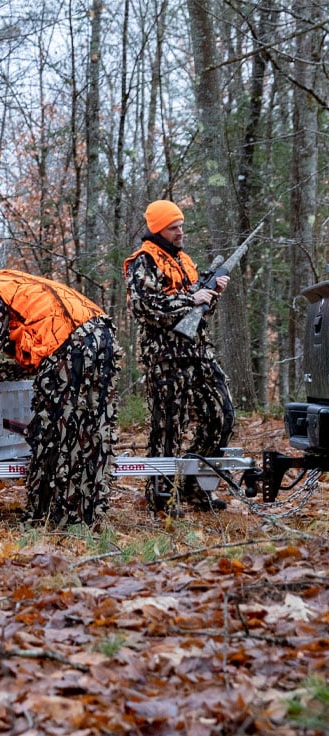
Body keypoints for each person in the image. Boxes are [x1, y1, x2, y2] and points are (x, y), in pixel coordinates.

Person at [0, 269, 121, 527]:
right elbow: (41, 341)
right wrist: (0, 373)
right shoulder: (13, 284)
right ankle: (85, 516)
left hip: (71, 346)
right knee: (92, 432)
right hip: (101, 334)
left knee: (52, 435)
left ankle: (47, 518)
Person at [124, 200, 234, 513]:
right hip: (166, 358)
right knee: (168, 428)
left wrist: (212, 294)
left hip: (199, 352)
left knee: (221, 416)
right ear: (158, 229)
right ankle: (161, 496)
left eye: (181, 225)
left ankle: (196, 488)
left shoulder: (184, 260)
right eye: (174, 227)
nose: (180, 232)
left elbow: (198, 312)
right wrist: (191, 297)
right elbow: (145, 307)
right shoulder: (143, 261)